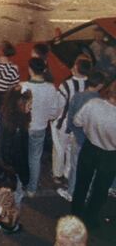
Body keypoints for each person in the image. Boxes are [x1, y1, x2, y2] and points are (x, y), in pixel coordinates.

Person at [70, 81, 116, 229]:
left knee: (81, 183)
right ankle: (91, 218)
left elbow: (77, 121)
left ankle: (75, 213)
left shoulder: (93, 103)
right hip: (110, 155)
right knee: (101, 189)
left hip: (90, 147)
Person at [60, 71, 106, 202]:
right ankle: (86, 193)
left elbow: (71, 118)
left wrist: (72, 131)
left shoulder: (78, 97)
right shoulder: (100, 102)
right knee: (90, 168)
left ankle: (71, 192)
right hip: (92, 141)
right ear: (100, 85)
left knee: (75, 167)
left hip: (78, 138)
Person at [22, 58, 62, 197]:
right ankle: (32, 189)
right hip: (40, 128)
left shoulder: (24, 86)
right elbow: (54, 112)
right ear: (44, 70)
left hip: (24, 128)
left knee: (21, 155)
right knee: (35, 158)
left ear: (30, 69)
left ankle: (21, 183)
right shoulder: (51, 88)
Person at [52, 56, 89, 187]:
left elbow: (59, 106)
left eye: (74, 65)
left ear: (77, 69)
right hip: (79, 126)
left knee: (59, 149)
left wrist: (54, 117)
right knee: (71, 149)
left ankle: (58, 174)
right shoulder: (90, 86)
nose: (72, 67)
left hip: (63, 123)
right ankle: (68, 173)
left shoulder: (66, 85)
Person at [0, 88, 31, 204]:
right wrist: (25, 177)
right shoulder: (18, 127)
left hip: (4, 167)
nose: (31, 106)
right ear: (20, 104)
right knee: (15, 197)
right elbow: (21, 155)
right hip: (12, 170)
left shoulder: (6, 118)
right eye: (29, 103)